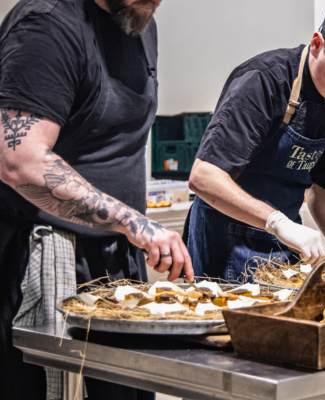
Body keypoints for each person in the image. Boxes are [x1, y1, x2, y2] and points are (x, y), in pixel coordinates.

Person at [0, 0, 193, 399]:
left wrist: (130, 231)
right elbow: (19, 159)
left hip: (116, 260)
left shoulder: (139, 23)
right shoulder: (47, 25)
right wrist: (134, 222)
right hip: (42, 259)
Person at [185, 1, 325, 280]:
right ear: (317, 45)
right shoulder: (264, 81)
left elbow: (321, 190)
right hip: (226, 241)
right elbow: (204, 177)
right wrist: (277, 222)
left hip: (286, 243)